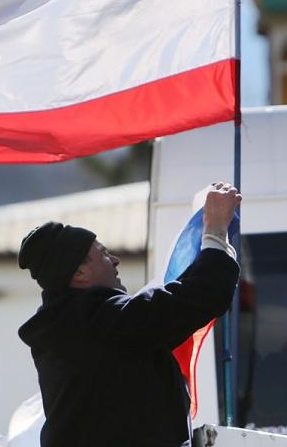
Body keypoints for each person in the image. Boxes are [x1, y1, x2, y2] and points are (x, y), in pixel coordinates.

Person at [17, 182, 242, 447]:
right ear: (78, 273)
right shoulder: (96, 322)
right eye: (102, 253)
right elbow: (192, 301)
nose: (115, 260)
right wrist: (215, 233)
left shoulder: (73, 326)